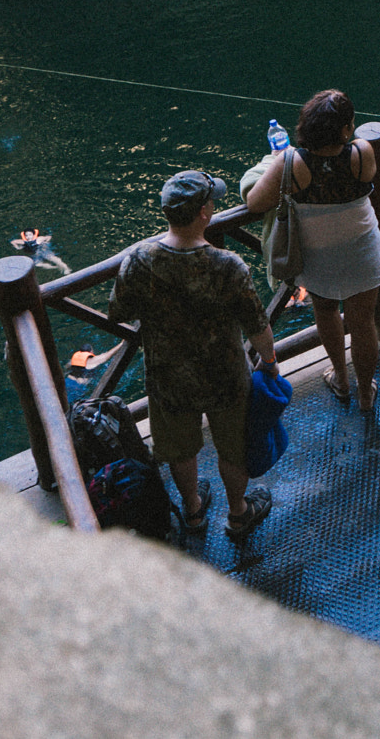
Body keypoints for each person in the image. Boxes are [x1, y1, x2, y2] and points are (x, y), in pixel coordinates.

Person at [107, 170, 281, 542]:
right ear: (204, 213)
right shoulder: (228, 265)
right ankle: (238, 514)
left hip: (168, 375)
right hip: (226, 375)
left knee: (180, 448)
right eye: (211, 203)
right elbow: (257, 324)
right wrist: (269, 362)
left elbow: (117, 312)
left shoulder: (139, 260)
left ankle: (193, 511)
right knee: (233, 449)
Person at [244, 90, 380, 418]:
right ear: (344, 129)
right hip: (362, 246)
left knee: (325, 312)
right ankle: (366, 392)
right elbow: (368, 178)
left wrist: (272, 161)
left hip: (318, 253)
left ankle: (341, 380)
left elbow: (254, 202)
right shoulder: (363, 152)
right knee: (363, 321)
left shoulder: (292, 162)